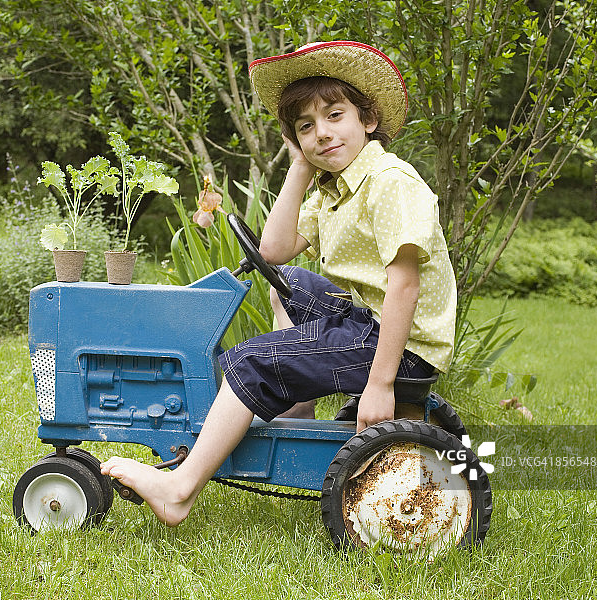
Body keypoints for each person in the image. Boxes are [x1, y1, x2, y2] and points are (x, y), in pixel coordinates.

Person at [100, 41, 457, 526]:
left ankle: (178, 491)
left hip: (403, 343)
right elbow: (272, 251)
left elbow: (406, 288)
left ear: (368, 120)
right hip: (371, 320)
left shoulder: (390, 182)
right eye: (306, 127)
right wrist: (301, 166)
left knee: (252, 359)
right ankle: (295, 411)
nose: (322, 134)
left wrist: (380, 384)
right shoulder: (335, 187)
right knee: (287, 282)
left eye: (335, 116)